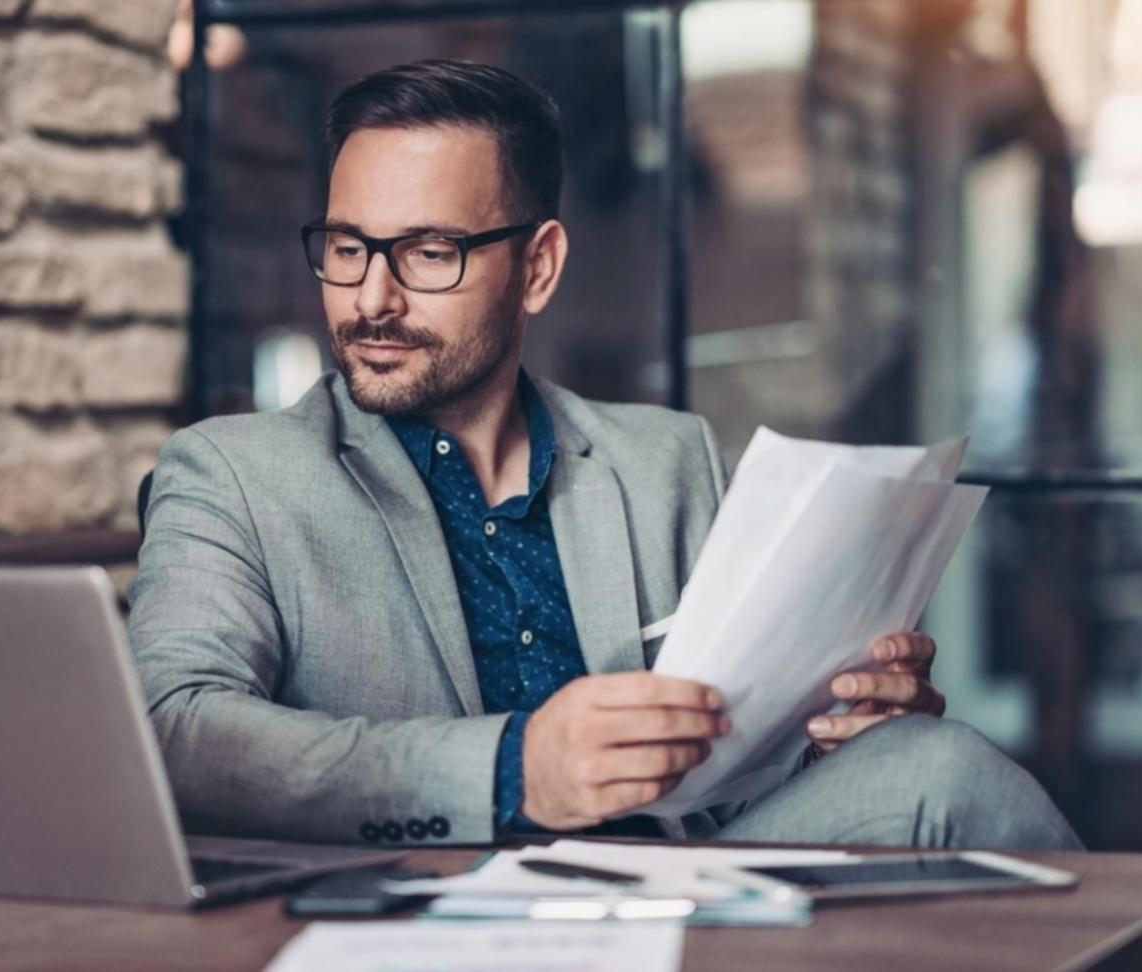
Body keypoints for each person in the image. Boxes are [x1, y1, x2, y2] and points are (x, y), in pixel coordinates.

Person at [128, 59, 1080, 850]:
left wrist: (839, 736)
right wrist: (512, 772)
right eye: (346, 248)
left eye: (426, 254)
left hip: (677, 893)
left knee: (930, 763)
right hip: (417, 912)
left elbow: (739, 769)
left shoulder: (665, 458)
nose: (370, 298)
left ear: (536, 266)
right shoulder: (229, 475)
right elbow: (174, 733)